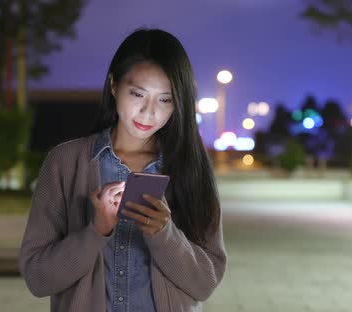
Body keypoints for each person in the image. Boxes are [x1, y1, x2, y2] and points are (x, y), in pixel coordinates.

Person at [19, 28, 226, 312]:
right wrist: (96, 230)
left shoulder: (190, 167)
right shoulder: (65, 162)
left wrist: (164, 234)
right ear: (114, 85)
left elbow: (204, 284)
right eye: (138, 94)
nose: (149, 112)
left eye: (165, 99)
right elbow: (37, 279)